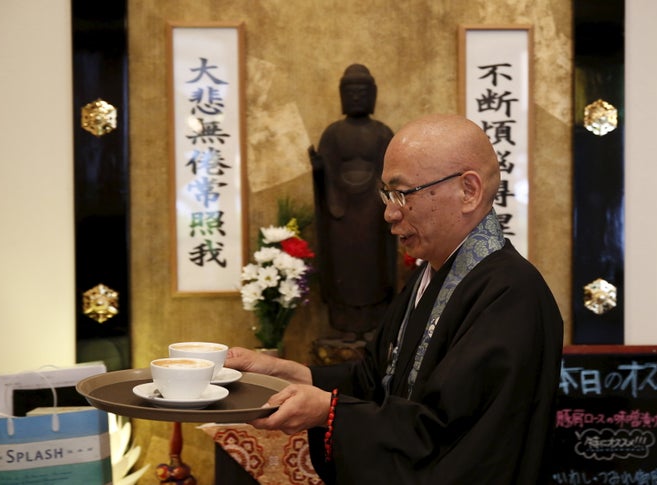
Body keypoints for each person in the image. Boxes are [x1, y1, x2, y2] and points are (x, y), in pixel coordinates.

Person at [226, 114, 564, 484]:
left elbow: (451, 438)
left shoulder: (511, 294)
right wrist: (285, 373)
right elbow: (376, 379)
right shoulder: (430, 275)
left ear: (469, 191)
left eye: (403, 194)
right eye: (386, 194)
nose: (389, 212)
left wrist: (330, 412)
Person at [308, 64, 397, 339]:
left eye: (362, 92)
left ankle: (373, 324)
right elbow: (329, 172)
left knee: (374, 267)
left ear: (373, 95)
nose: (357, 97)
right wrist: (318, 169)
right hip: (341, 210)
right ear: (342, 96)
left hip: (373, 208)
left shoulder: (383, 133)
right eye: (351, 92)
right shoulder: (333, 133)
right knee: (344, 267)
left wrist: (378, 199)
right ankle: (345, 325)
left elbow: (392, 170)